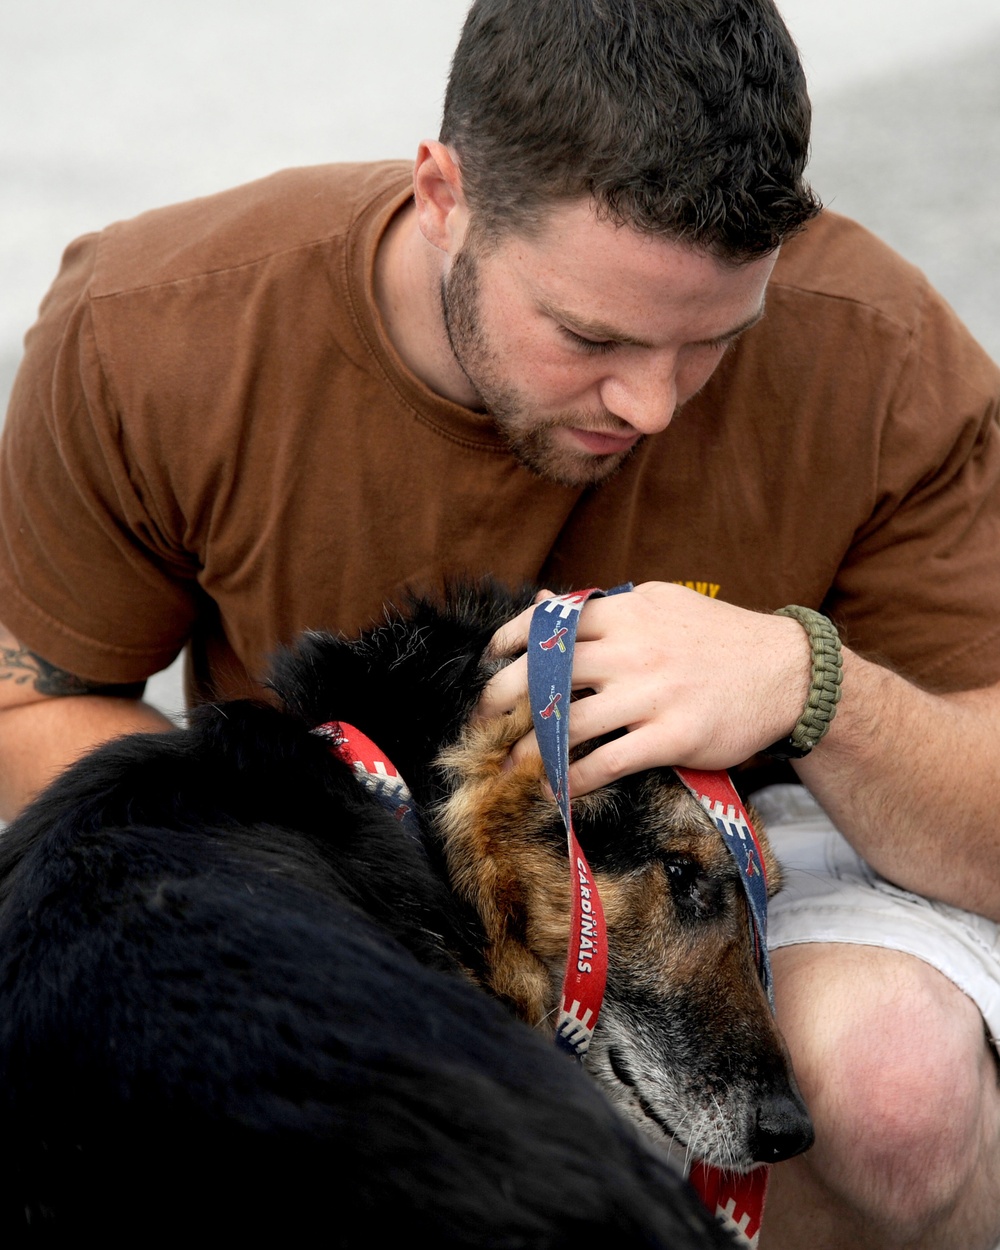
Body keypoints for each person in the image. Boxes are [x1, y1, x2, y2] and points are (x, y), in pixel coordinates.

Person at [1, 0, 998, 1245]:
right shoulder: (148, 327)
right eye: (589, 335)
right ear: (443, 194)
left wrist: (812, 683)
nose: (650, 403)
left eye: (715, 344)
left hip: (762, 845)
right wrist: (375, 881)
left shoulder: (886, 354)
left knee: (893, 1090)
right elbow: (35, 701)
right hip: (341, 869)